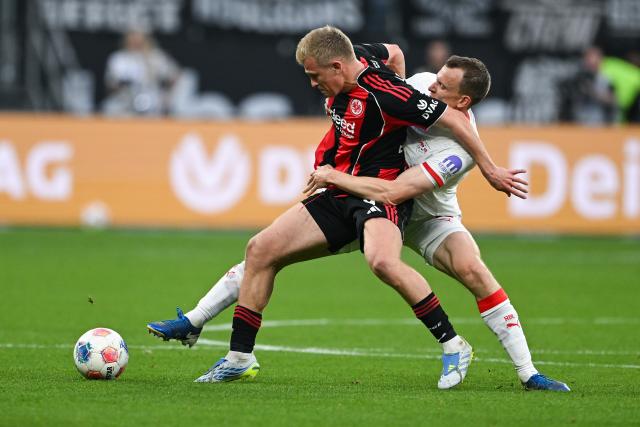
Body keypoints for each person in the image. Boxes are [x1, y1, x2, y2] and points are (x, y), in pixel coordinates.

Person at [147, 54, 568, 392]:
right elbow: (396, 63)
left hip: (422, 214)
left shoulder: (455, 155)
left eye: (442, 86)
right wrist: (351, 61)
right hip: (368, 197)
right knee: (267, 250)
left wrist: (332, 175)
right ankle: (208, 330)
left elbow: (396, 192)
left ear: (462, 104)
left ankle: (527, 372)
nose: (430, 86)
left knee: (474, 272)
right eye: (435, 78)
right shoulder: (423, 85)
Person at [102, 30, 181, 116]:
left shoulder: (156, 56)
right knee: (110, 107)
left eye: (139, 36)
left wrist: (167, 94)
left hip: (153, 99)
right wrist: (122, 88)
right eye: (133, 35)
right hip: (124, 99)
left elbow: (174, 76)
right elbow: (111, 83)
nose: (136, 40)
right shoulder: (118, 58)